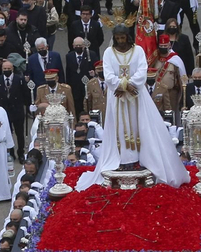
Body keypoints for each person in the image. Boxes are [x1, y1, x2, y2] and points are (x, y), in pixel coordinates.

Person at [76, 25, 189, 191]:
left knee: (140, 126)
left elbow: (142, 71)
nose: (121, 41)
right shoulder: (108, 53)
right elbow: (108, 74)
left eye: (123, 37)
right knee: (119, 128)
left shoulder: (138, 51)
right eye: (118, 38)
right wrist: (122, 86)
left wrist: (130, 86)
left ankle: (141, 159)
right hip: (117, 97)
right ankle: (121, 160)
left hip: (137, 96)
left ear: (128, 37)